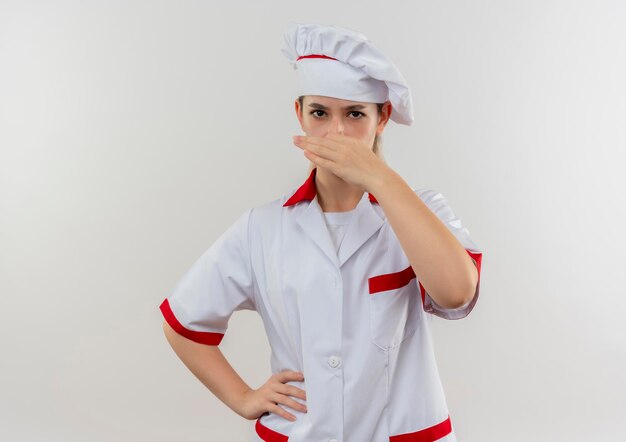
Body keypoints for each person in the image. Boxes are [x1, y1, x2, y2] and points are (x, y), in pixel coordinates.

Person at [159, 22, 483, 442]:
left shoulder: (422, 210)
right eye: (319, 113)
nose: (336, 133)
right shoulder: (263, 227)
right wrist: (243, 398)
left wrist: (381, 180)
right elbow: (182, 321)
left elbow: (456, 292)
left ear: (382, 118)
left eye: (354, 114)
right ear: (300, 115)